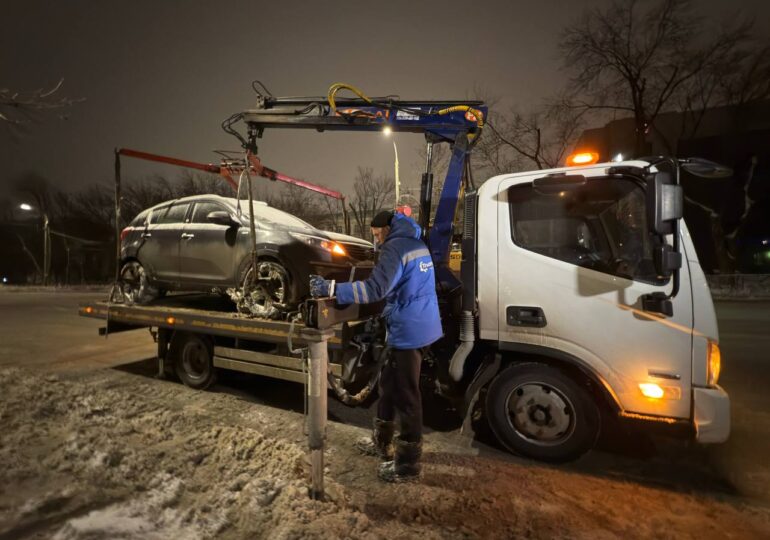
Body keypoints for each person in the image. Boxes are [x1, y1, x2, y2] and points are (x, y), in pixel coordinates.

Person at [309, 210, 442, 482]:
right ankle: (382, 443)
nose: (376, 239)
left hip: (409, 330)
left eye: (377, 233)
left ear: (387, 228)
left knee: (407, 396)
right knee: (389, 386)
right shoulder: (416, 243)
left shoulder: (395, 248)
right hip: (422, 323)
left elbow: (375, 290)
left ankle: (407, 466)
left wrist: (332, 288)